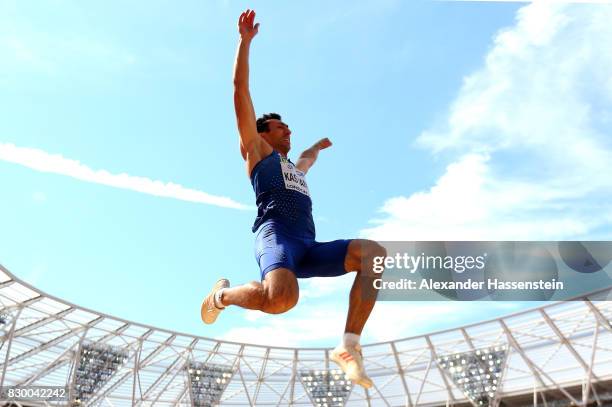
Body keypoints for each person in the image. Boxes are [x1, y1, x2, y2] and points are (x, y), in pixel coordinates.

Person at [201, 9, 386, 389]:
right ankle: (221, 296)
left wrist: (317, 146)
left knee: (374, 254)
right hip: (277, 237)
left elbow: (307, 159)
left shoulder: (294, 169)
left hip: (307, 244)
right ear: (263, 132)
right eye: (281, 126)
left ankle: (349, 346)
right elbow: (240, 92)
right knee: (282, 300)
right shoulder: (256, 151)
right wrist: (244, 43)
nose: (288, 130)